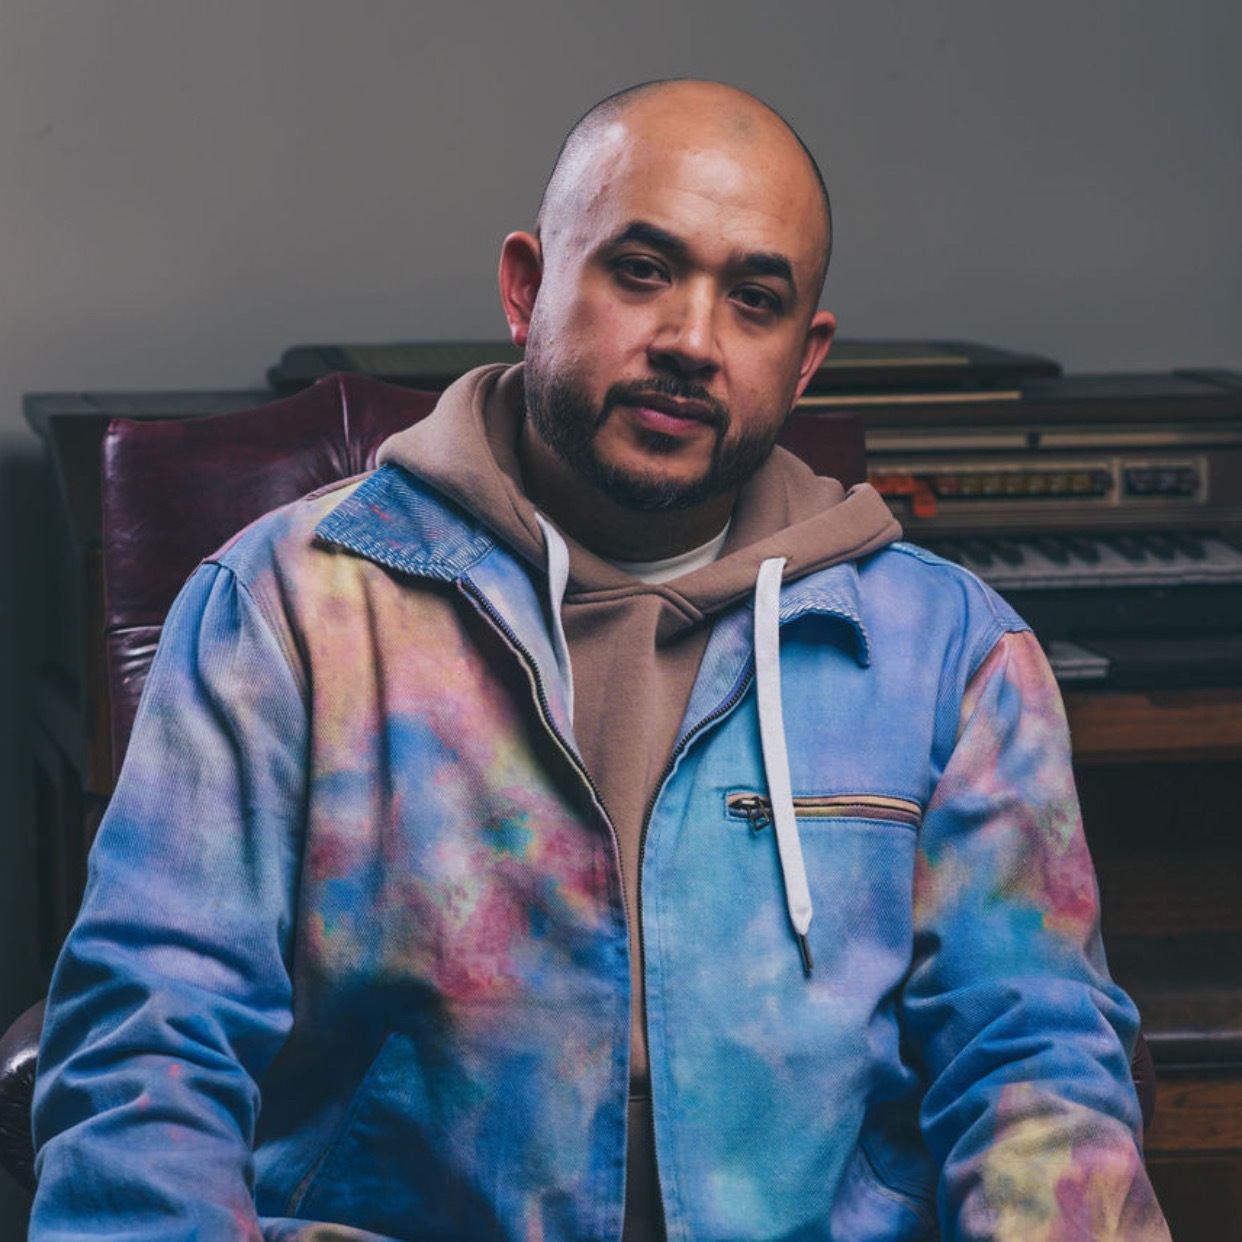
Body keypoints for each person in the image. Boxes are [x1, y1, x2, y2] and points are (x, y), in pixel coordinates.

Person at [30, 80, 1169, 1241]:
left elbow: (1035, 1071)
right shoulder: (285, 607)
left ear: (806, 356)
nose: (690, 340)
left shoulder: (950, 657)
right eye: (641, 269)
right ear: (526, 287)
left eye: (755, 299)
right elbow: (148, 1049)